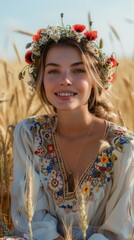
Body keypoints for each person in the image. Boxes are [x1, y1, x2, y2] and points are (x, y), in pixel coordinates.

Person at [11, 14, 134, 240]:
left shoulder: (124, 147)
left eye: (78, 70)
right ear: (41, 79)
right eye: (53, 71)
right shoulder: (28, 134)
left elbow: (119, 231)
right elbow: (28, 219)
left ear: (96, 79)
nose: (65, 80)